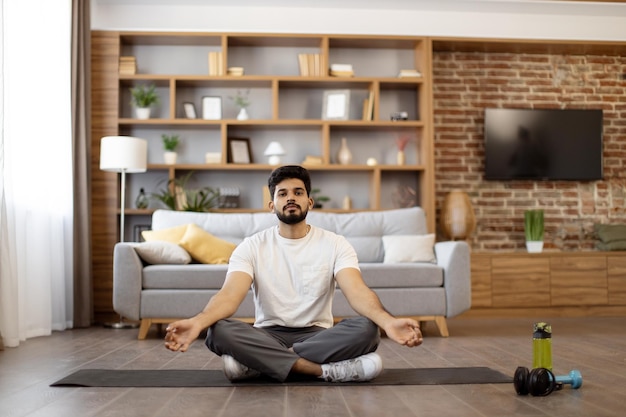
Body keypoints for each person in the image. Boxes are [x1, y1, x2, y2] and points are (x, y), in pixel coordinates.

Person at [164, 165, 423, 382]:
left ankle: (258, 363)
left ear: (309, 201)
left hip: (318, 334)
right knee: (218, 331)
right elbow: (229, 296)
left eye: (298, 192)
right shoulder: (251, 246)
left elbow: (358, 292)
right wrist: (198, 323)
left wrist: (388, 322)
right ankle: (318, 370)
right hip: (267, 333)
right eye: (283, 193)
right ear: (271, 204)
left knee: (367, 329)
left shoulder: (335, 243)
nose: (290, 198)